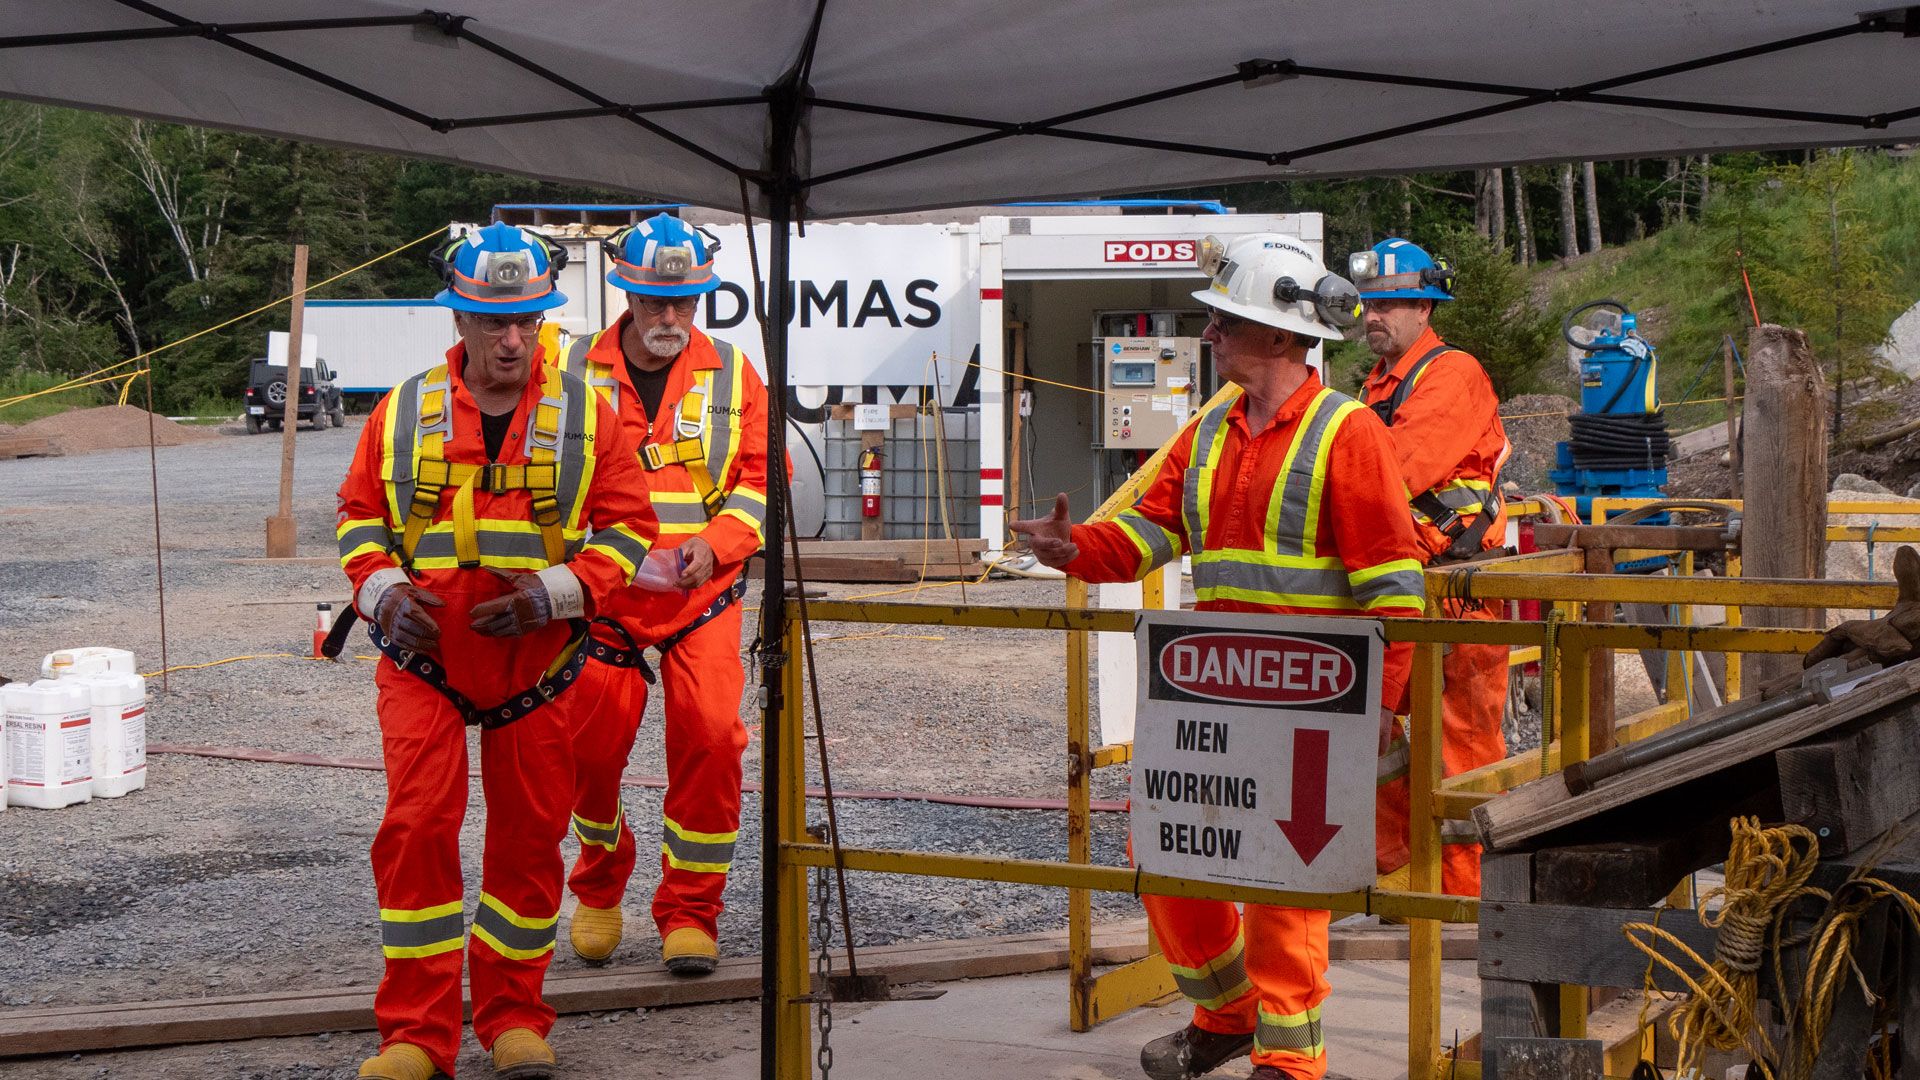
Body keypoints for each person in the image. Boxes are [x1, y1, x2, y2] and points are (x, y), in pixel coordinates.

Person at [1012, 234, 1426, 1080]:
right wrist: (1072, 549)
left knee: (1284, 884)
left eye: (1225, 322)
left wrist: (1379, 710)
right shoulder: (1209, 435)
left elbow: (1393, 591)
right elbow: (1146, 535)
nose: (1207, 337)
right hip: (1212, 700)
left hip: (1311, 708)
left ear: (1280, 337)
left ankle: (1288, 1058)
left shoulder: (1347, 436)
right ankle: (1226, 1015)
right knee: (1167, 859)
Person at [336, 222, 658, 1080]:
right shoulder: (402, 411)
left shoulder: (587, 416)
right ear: (460, 322)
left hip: (539, 670)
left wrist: (555, 595)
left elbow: (629, 532)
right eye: (492, 322)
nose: (512, 339)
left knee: (526, 843)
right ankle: (416, 1034)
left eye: (528, 320)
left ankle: (515, 1016)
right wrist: (382, 594)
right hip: (424, 665)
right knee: (415, 829)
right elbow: (359, 517)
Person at [558, 212, 771, 976]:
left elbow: (756, 484)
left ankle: (690, 913)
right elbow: (549, 484)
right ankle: (600, 882)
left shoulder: (735, 372)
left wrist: (712, 547)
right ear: (627, 296)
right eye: (655, 303)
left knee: (712, 746)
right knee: (584, 755)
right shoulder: (572, 368)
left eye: (684, 302)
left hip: (700, 600)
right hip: (604, 601)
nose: (670, 318)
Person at [1351, 237, 1512, 897]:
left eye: (1388, 303)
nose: (1373, 315)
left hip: (1458, 590)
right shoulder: (1378, 384)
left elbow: (1397, 471)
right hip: (1406, 580)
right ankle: (1404, 872)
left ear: (1425, 305)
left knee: (1463, 748)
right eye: (1367, 303)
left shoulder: (1451, 373)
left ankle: (1467, 898)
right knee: (1381, 729)